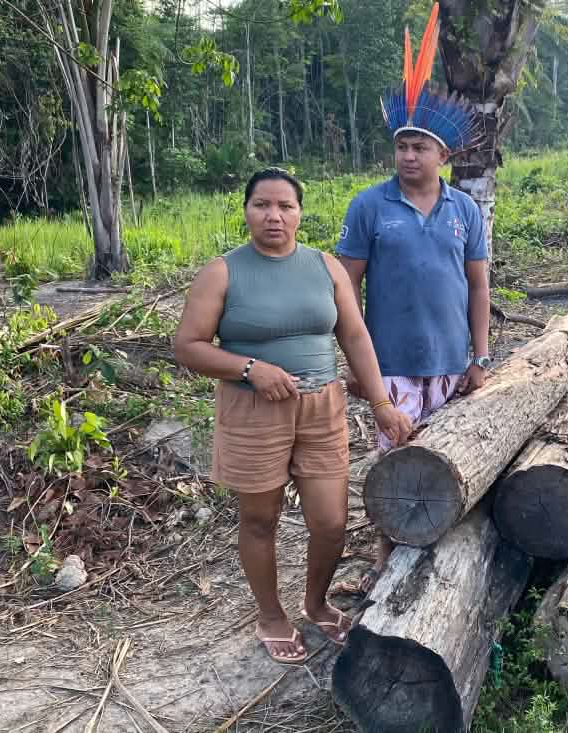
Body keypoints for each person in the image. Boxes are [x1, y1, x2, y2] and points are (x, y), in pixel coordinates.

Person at [174, 168, 413, 664]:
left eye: (285, 205)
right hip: (253, 410)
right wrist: (249, 367)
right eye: (262, 204)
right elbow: (189, 348)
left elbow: (354, 337)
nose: (274, 215)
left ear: (300, 213)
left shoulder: (325, 267)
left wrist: (381, 401)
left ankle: (316, 602)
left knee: (330, 522)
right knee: (260, 520)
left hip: (323, 407)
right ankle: (270, 615)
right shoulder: (223, 272)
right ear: (246, 211)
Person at [335, 2, 491, 593]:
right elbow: (345, 287)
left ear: (443, 156)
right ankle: (383, 564)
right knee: (394, 467)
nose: (407, 155)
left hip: (452, 364)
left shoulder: (465, 210)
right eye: (401, 145)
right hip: (393, 365)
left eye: (420, 146)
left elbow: (478, 287)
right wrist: (360, 367)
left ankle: (442, 570)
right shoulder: (369, 207)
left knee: (451, 466)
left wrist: (479, 359)